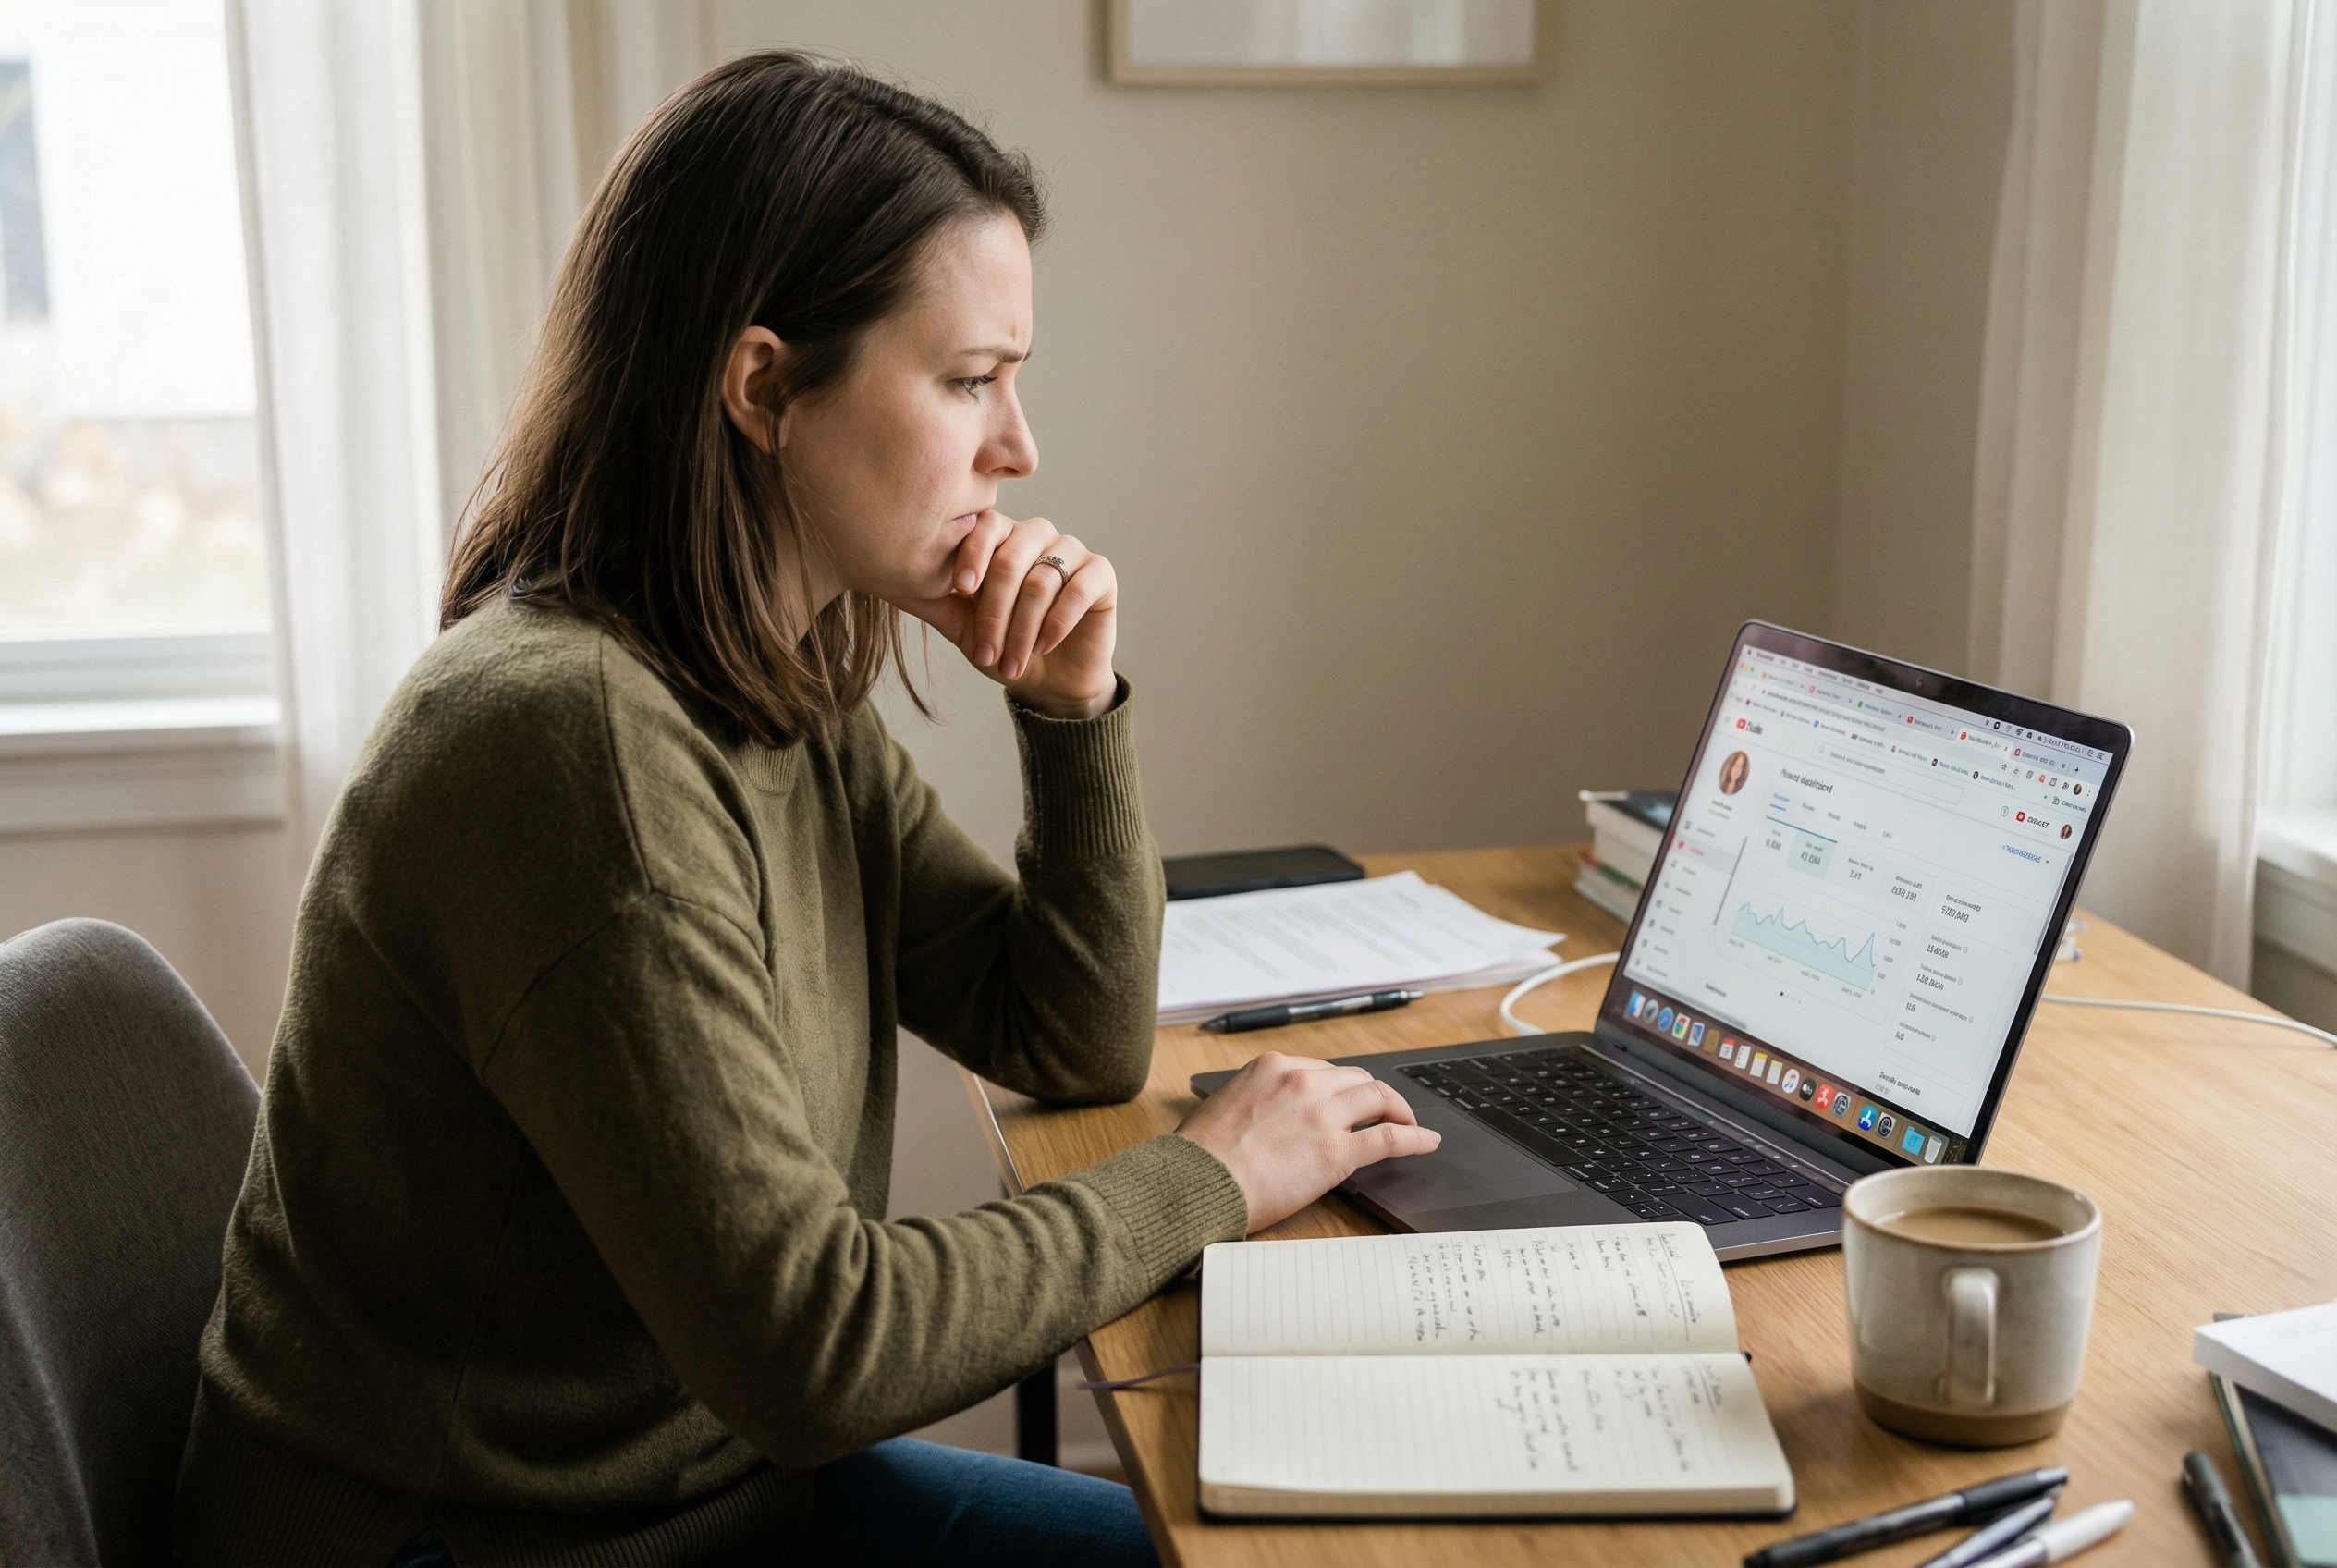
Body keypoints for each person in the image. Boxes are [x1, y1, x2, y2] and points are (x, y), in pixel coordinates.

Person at [172, 52, 1440, 1568]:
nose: (1019, 448)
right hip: (490, 1543)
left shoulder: (768, 676)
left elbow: (1068, 1034)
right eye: (969, 380)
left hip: (708, 1494)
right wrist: (1216, 1175)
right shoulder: (568, 748)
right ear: (765, 385)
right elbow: (820, 1352)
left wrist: (1068, 715)